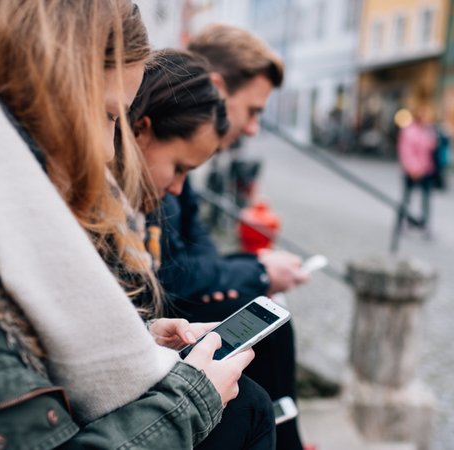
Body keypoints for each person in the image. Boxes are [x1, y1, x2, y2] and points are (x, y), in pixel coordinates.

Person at [0, 1, 268, 448]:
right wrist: (191, 401)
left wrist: (138, 340)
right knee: (246, 407)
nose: (107, 149)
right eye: (106, 114)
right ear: (49, 94)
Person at [147, 24, 308, 450]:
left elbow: (200, 249)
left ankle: (287, 434)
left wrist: (254, 270)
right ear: (217, 89)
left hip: (159, 316)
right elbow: (176, 271)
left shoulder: (173, 162)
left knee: (259, 321)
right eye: (253, 111)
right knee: (254, 376)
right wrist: (256, 271)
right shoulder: (157, 161)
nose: (254, 128)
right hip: (162, 309)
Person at [395, 105, 438, 238]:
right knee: (407, 198)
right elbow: (406, 151)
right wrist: (413, 168)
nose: (427, 118)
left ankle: (425, 225)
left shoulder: (428, 131)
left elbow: (431, 148)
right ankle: (402, 223)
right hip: (412, 171)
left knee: (426, 200)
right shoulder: (409, 130)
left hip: (426, 170)